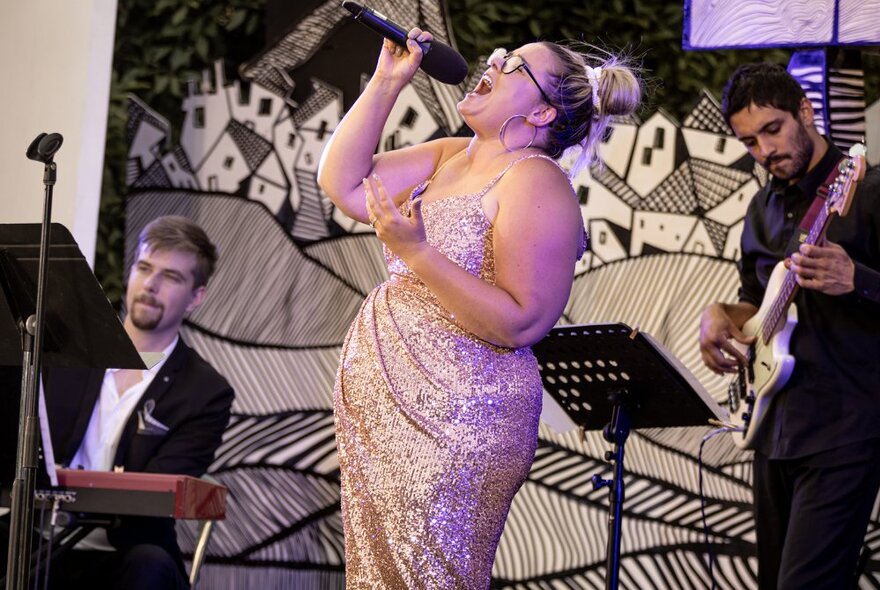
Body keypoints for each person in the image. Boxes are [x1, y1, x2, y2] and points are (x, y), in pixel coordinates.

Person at [317, 28, 640, 588]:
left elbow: (522, 320)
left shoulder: (537, 181)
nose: (493, 60)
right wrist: (387, 82)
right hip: (385, 411)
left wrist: (417, 253)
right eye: (501, 54)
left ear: (541, 112)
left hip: (460, 416)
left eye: (513, 64)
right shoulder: (448, 155)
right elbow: (344, 185)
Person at [699, 63, 880, 589]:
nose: (764, 151)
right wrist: (719, 314)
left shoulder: (868, 193)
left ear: (805, 111)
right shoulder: (761, 208)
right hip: (773, 426)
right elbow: (756, 306)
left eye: (772, 130)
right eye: (749, 142)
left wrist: (859, 279)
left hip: (847, 427)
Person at [33, 215, 233, 589]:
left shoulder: (205, 392)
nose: (151, 285)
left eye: (171, 277)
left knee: (148, 567)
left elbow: (153, 493)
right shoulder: (66, 357)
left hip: (125, 552)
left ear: (196, 297)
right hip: (42, 542)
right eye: (144, 268)